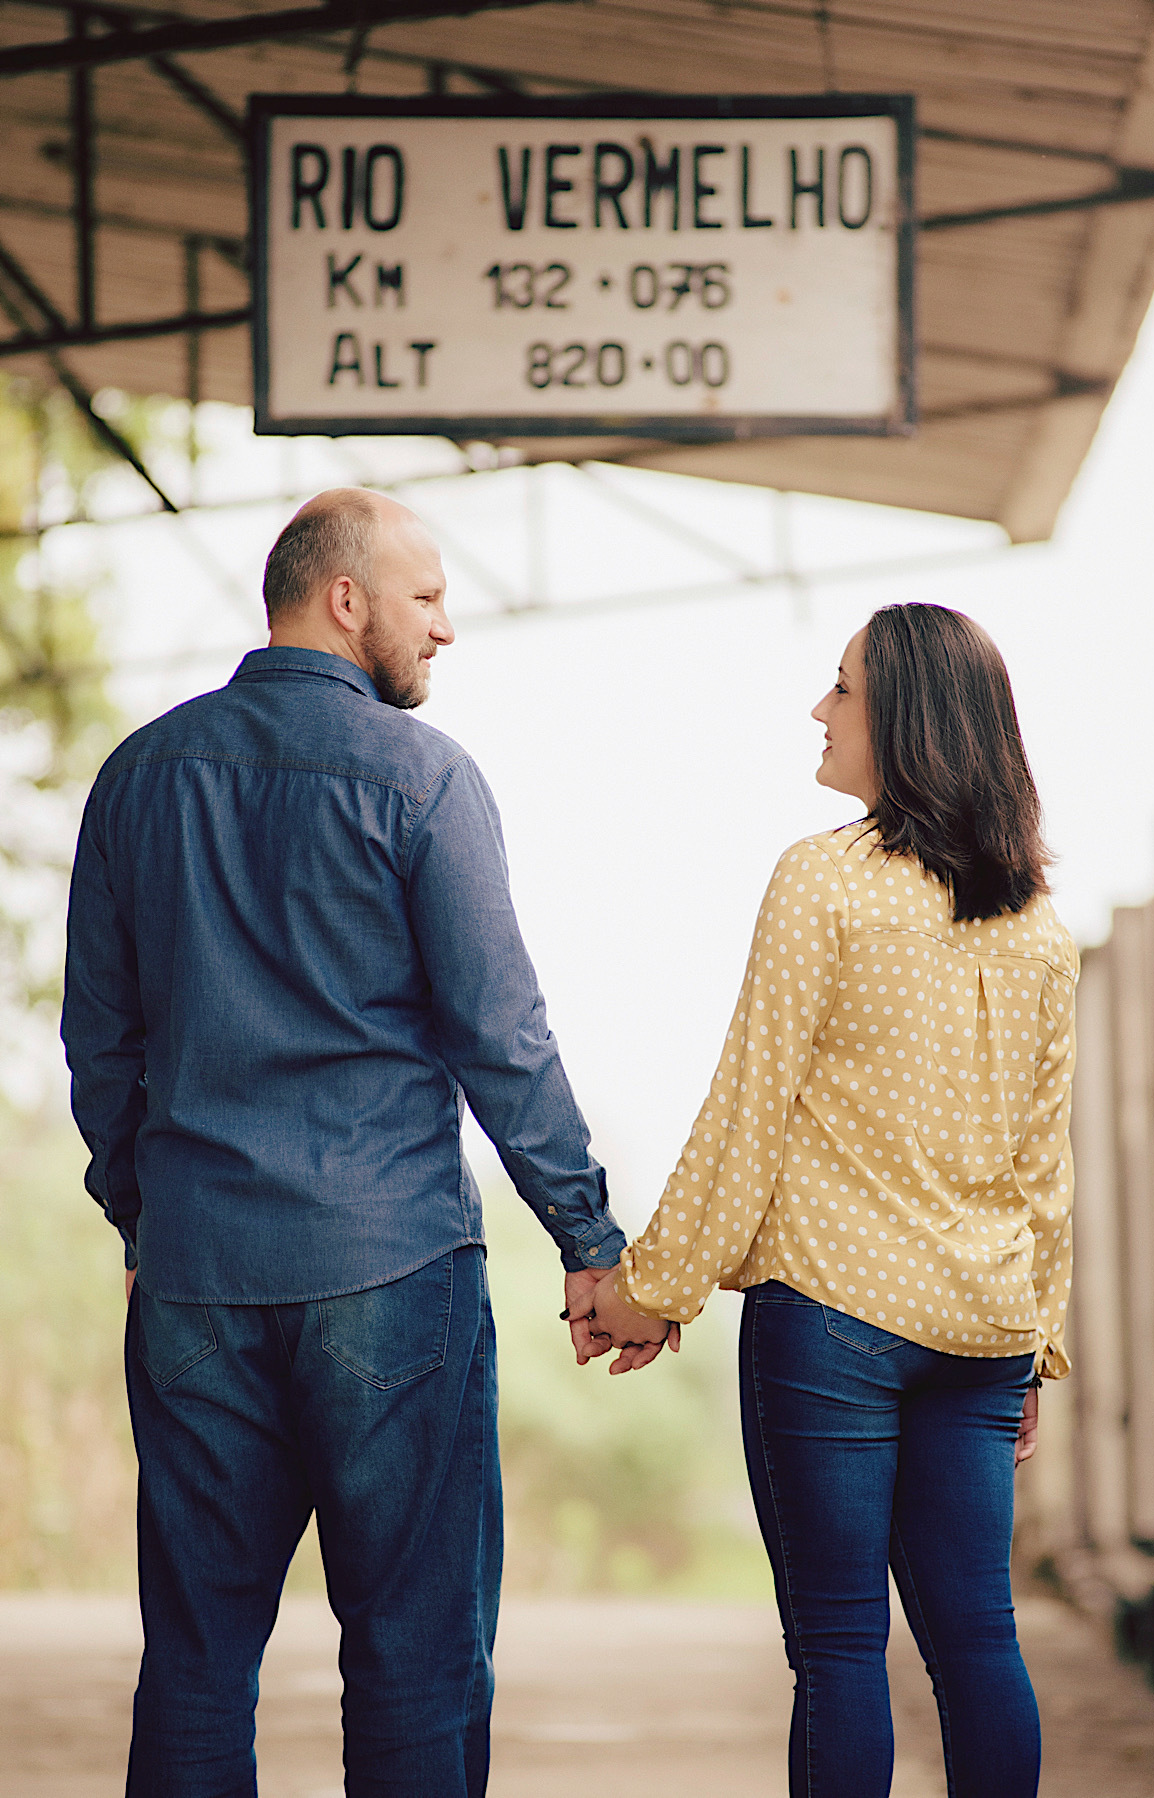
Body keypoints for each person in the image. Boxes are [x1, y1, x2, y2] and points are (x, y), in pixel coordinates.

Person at [60, 488, 673, 1798]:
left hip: (198, 1275)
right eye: (429, 596)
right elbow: (501, 1034)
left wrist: (145, 1217)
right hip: (388, 1267)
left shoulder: (138, 777)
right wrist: (589, 1238)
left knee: (196, 1662)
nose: (446, 627)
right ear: (346, 598)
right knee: (411, 1654)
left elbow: (100, 1046)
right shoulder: (424, 779)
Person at [574, 603, 1077, 1797]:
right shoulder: (1038, 926)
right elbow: (1043, 1168)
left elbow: (747, 1110)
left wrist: (646, 1289)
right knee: (979, 1639)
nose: (819, 707)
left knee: (842, 1649)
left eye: (840, 687)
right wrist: (1040, 1347)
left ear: (904, 716)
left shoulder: (822, 881)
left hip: (836, 1323)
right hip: (981, 1335)